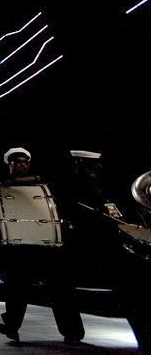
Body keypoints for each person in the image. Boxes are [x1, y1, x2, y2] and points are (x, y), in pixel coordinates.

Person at [56, 150, 150, 352]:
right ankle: (72, 332)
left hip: (106, 246)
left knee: (129, 294)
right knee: (62, 287)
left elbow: (114, 212)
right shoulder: (68, 190)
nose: (96, 170)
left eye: (96, 166)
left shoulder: (101, 187)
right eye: (90, 166)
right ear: (78, 166)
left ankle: (144, 338)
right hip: (78, 246)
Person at [0, 147, 84, 346]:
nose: (21, 165)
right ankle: (12, 327)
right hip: (18, 248)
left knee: (60, 290)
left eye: (24, 162)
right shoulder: (0, 184)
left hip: (47, 246)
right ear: (9, 164)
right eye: (17, 162)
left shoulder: (44, 185)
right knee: (17, 291)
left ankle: (73, 332)